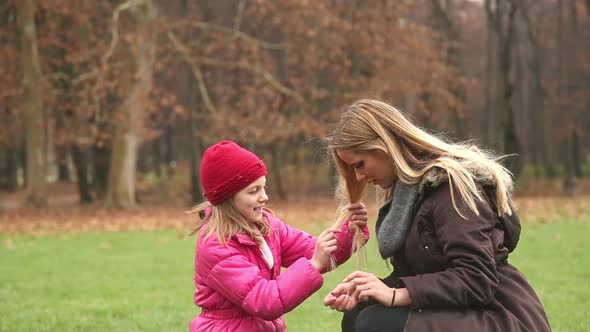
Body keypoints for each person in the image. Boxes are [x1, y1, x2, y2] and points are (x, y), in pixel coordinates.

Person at [322, 99, 551, 332]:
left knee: (375, 324)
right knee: (357, 315)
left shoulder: (451, 187)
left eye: (360, 164)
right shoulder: (406, 192)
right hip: (463, 311)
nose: (359, 177)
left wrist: (394, 294)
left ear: (384, 146)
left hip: (498, 314)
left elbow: (476, 280)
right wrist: (368, 291)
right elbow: (420, 273)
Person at [189, 140, 370, 332]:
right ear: (228, 198)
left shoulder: (267, 227)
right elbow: (264, 300)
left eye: (263, 187)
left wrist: (349, 231)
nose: (264, 197)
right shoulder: (216, 246)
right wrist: (315, 263)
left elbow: (312, 250)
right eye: (254, 191)